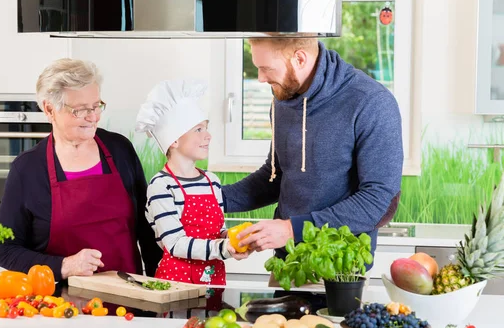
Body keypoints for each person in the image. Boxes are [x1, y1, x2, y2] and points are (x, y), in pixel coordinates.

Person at [223, 38, 403, 272]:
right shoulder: (282, 98)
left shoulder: (371, 102)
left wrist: (290, 230)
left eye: (266, 68)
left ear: (300, 59)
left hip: (341, 268)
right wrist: (209, 198)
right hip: (288, 264)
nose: (260, 78)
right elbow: (275, 176)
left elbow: (376, 200)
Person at [0, 58, 161, 281]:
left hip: (130, 305)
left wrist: (160, 289)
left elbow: (147, 229)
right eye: (80, 110)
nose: (93, 117)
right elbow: (5, 250)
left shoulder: (120, 150)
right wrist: (63, 265)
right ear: (49, 109)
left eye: (96, 106)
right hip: (61, 307)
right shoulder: (28, 169)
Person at [135, 79, 249, 287]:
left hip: (213, 278)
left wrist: (236, 239)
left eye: (206, 128)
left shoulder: (211, 180)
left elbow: (218, 230)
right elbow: (175, 243)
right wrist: (223, 248)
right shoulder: (161, 186)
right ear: (174, 140)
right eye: (198, 129)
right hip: (176, 284)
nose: (208, 136)